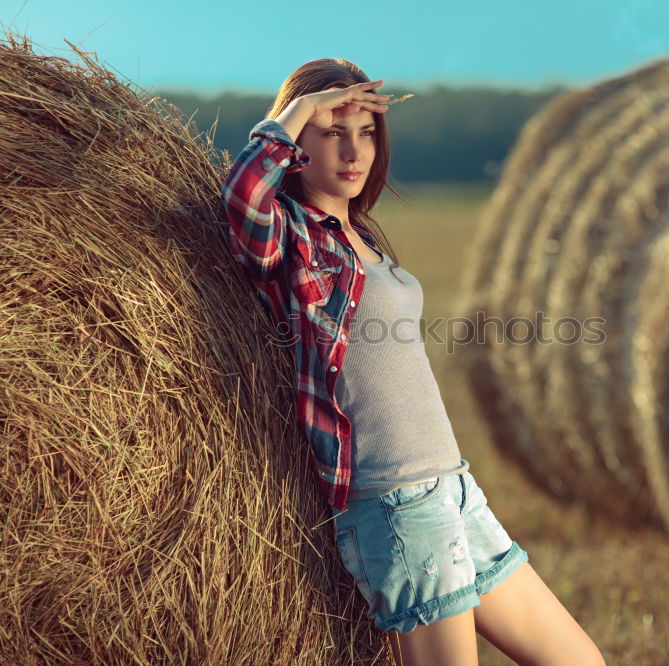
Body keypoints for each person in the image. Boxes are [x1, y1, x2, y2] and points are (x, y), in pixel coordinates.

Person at [221, 58, 606, 666]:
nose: (353, 151)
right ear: (298, 142)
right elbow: (242, 192)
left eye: (367, 132)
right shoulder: (293, 239)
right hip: (394, 506)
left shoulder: (364, 237)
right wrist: (295, 113)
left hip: (454, 490)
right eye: (332, 131)